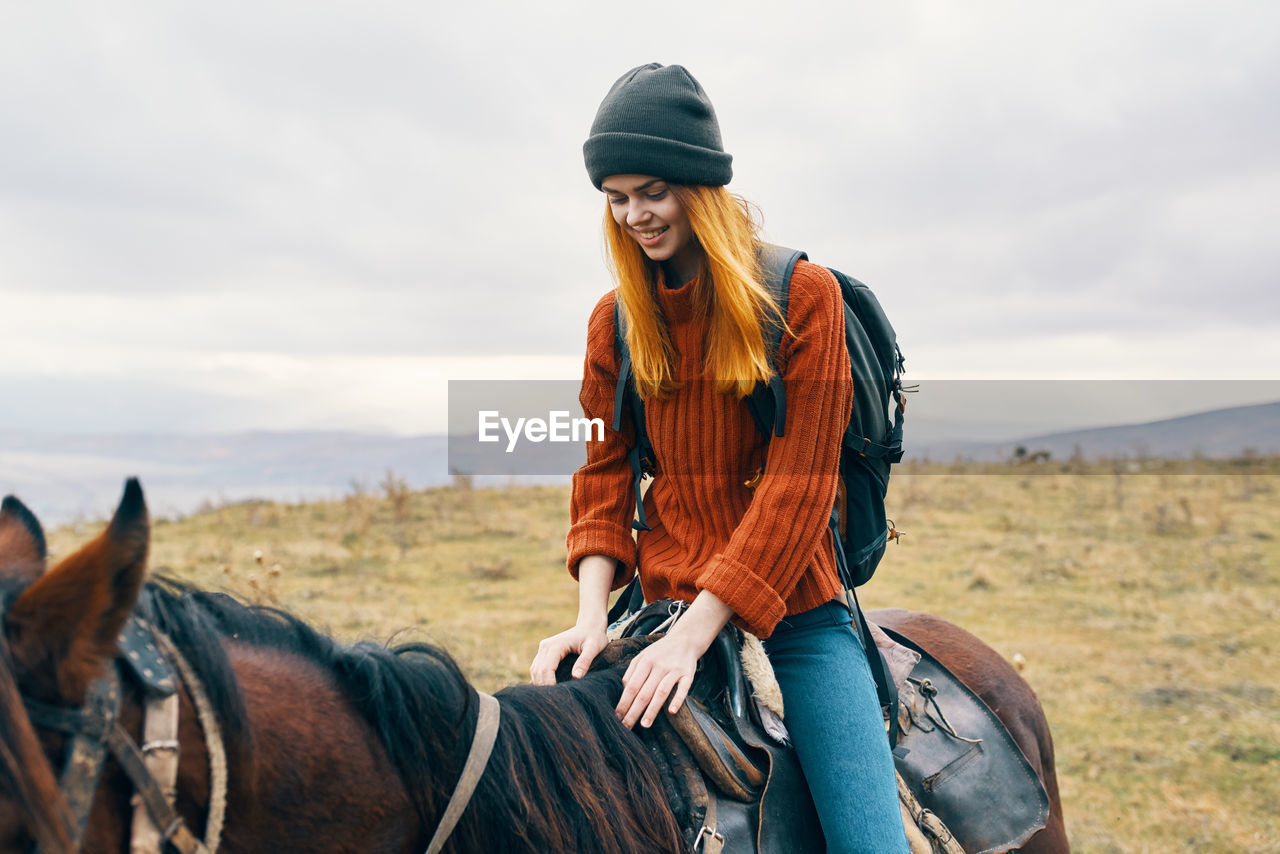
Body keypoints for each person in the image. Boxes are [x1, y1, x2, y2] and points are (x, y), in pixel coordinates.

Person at [529, 62, 909, 853]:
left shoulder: (804, 299)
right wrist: (591, 616)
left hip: (798, 612)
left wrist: (697, 635)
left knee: (868, 845)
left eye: (653, 191)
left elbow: (800, 489)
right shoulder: (617, 321)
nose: (635, 214)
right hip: (658, 601)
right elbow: (603, 470)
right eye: (616, 198)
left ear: (699, 185)